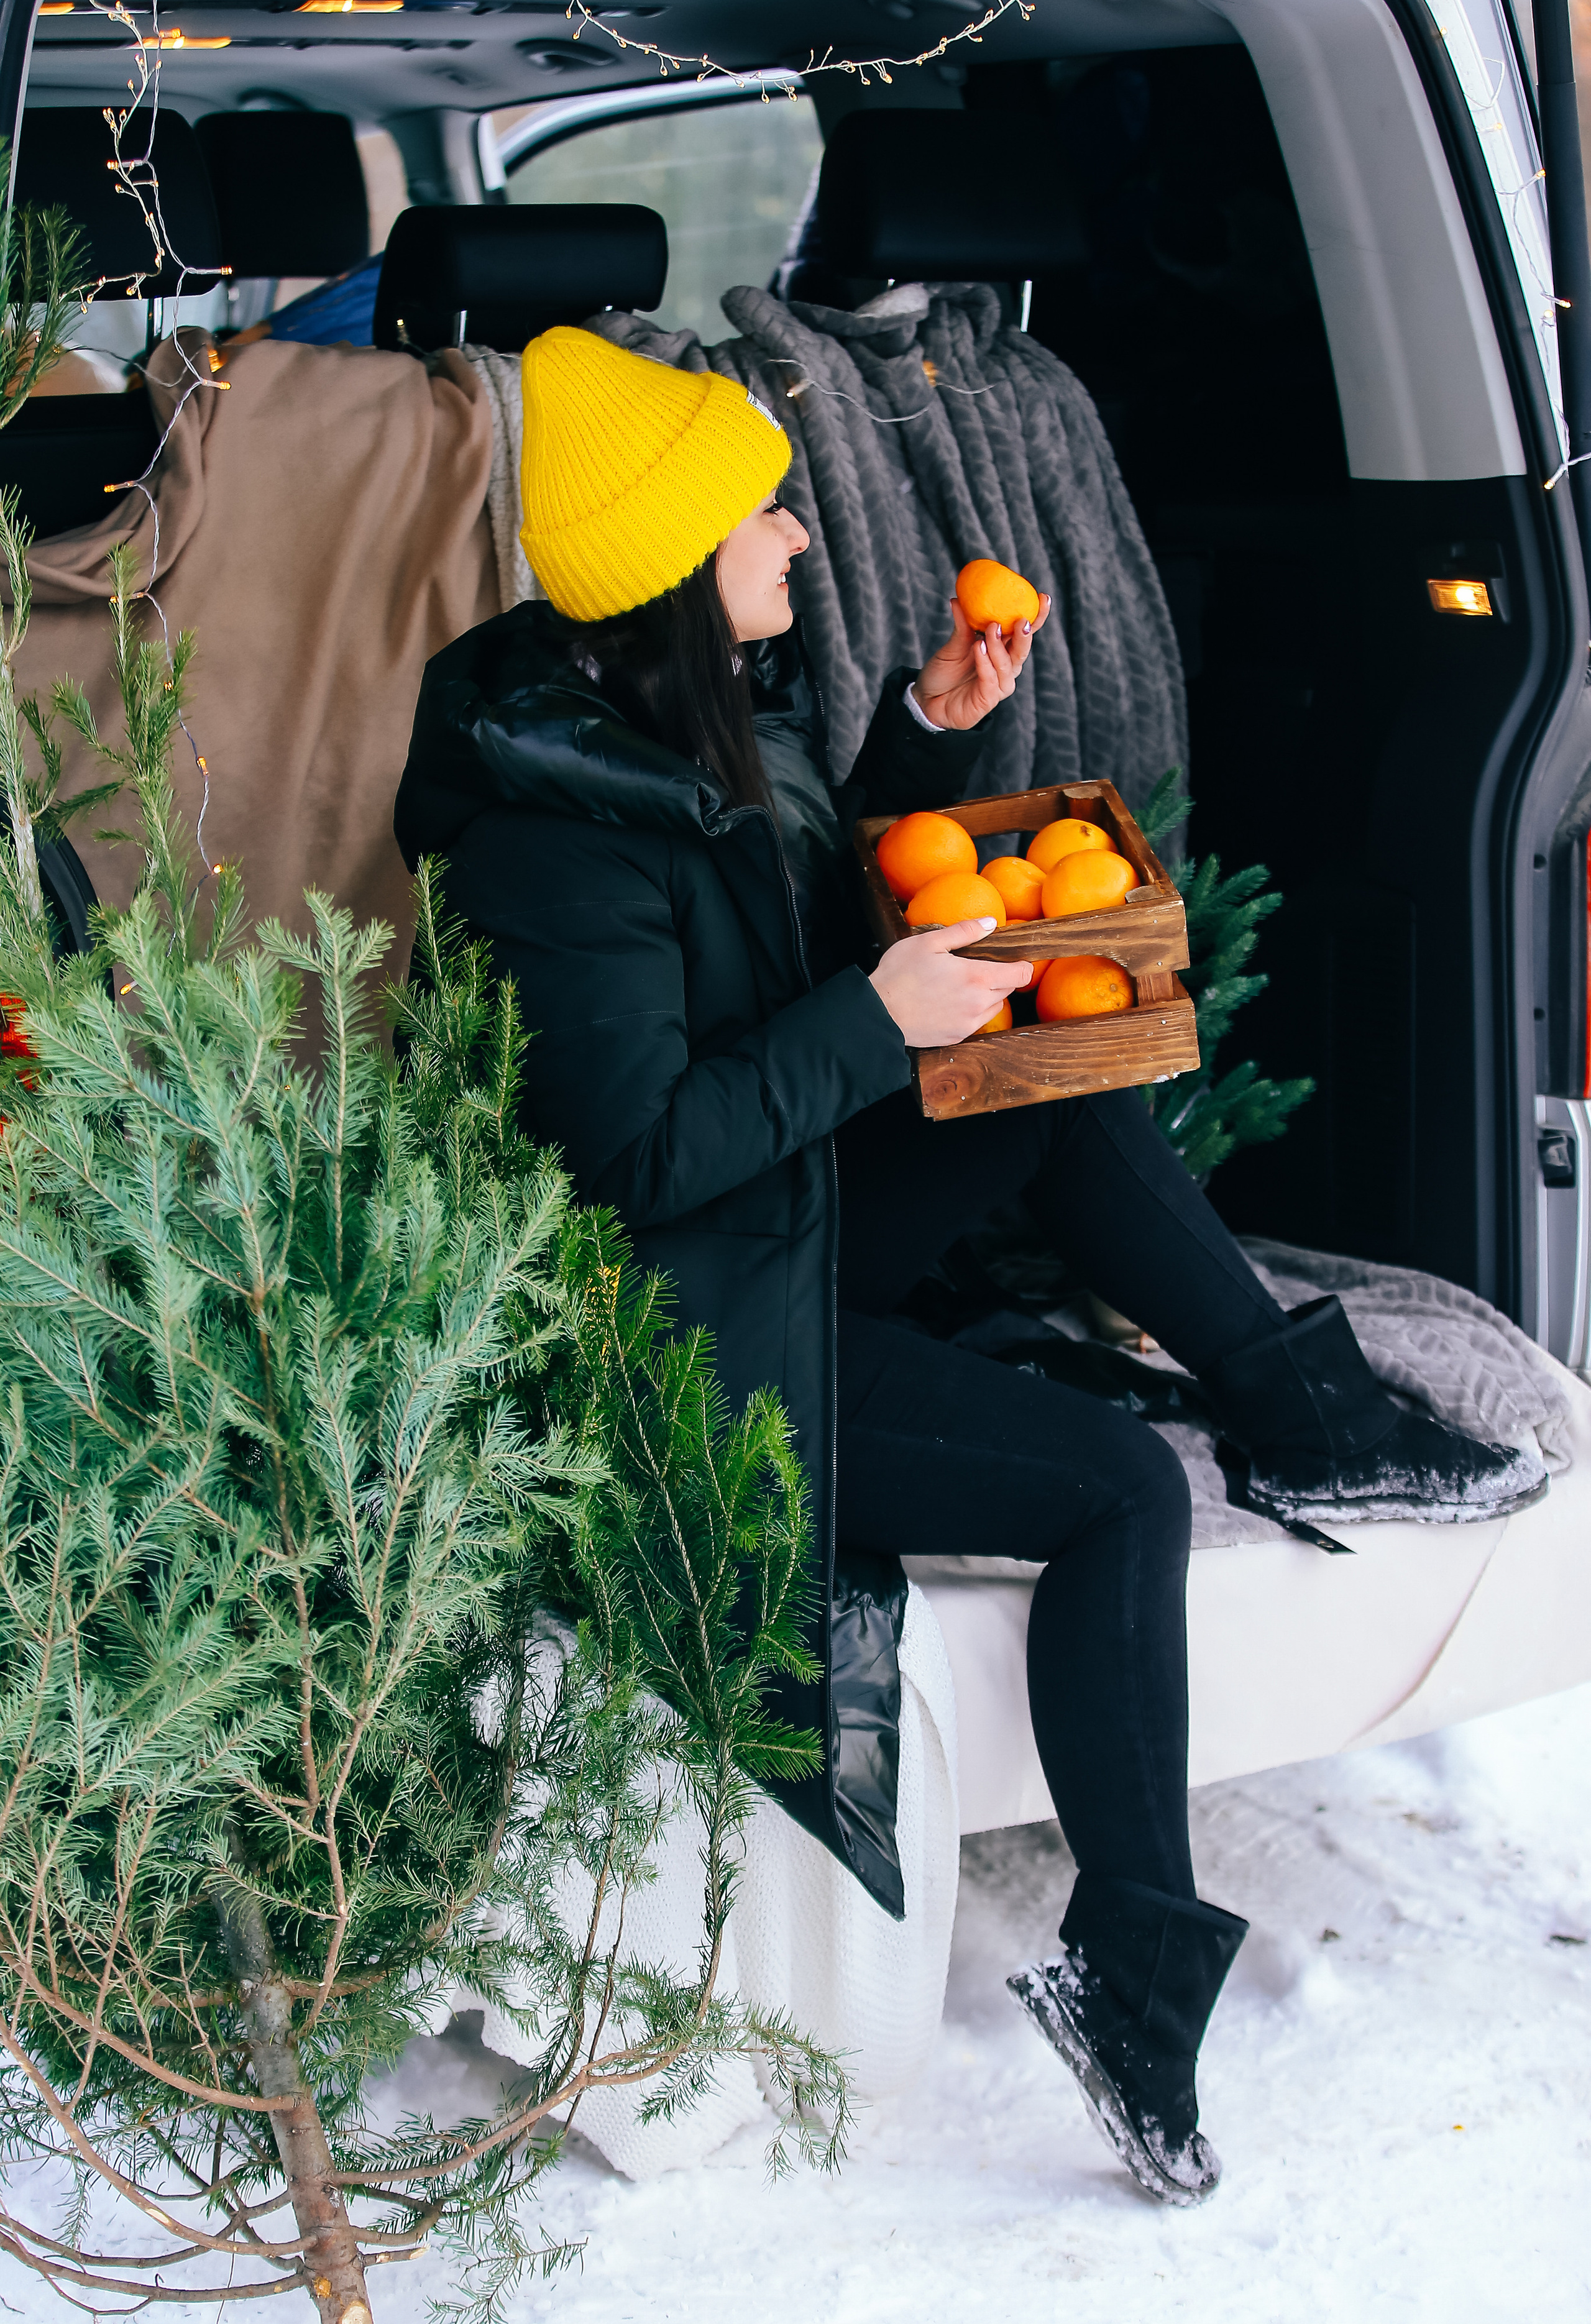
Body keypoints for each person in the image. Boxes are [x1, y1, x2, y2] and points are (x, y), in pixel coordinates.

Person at [395, 327, 1543, 2207]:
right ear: (673, 559)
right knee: (1112, 1492)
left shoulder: (681, 716)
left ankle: (1307, 1415)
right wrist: (874, 1019)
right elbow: (631, 1155)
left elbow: (769, 922)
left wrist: (928, 734)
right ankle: (1135, 1981)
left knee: (1057, 1080)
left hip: (785, 1223)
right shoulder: (548, 842)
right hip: (697, 1343)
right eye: (762, 513)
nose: (798, 536)